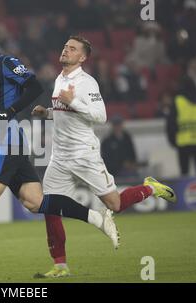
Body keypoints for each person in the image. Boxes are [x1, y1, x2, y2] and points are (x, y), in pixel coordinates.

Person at [0, 23, 120, 281]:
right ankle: (97, 219)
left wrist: (12, 111)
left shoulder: (5, 63)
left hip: (7, 142)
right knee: (35, 202)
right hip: (4, 141)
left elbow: (35, 87)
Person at [31, 35, 177, 278]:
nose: (66, 50)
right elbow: (64, 114)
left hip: (84, 156)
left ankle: (151, 188)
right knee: (50, 207)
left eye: (72, 48)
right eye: (65, 46)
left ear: (82, 57)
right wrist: (46, 113)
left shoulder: (87, 83)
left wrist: (74, 101)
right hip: (60, 157)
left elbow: (100, 116)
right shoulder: (59, 79)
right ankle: (60, 265)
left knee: (115, 205)